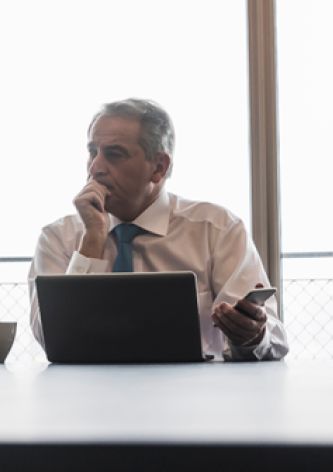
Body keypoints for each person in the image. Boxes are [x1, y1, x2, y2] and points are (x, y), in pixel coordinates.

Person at [27, 98, 288, 361]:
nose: (95, 168)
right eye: (92, 151)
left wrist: (253, 336)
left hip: (194, 393)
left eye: (114, 154)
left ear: (159, 167)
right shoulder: (58, 238)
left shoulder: (217, 230)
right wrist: (92, 241)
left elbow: (274, 340)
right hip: (88, 394)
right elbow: (51, 340)